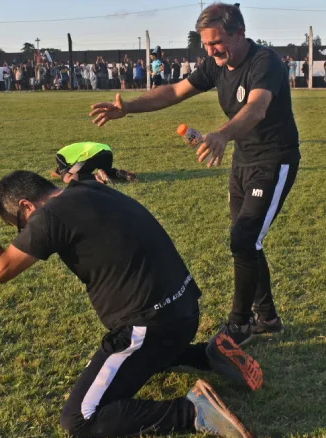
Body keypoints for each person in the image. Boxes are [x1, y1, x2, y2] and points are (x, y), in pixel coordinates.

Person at [0, 171, 263, 438]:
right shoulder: (88, 186)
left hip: (150, 326)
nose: (25, 236)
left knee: (80, 417)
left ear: (28, 206)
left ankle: (191, 411)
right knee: (141, 359)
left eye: (21, 227)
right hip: (184, 311)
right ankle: (205, 355)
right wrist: (4, 197)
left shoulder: (48, 216)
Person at [89, 3, 300, 347]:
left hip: (275, 161)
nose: (211, 50)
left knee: (244, 240)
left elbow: (257, 107)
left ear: (239, 33)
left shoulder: (266, 63)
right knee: (246, 241)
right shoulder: (214, 65)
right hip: (244, 161)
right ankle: (268, 317)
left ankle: (240, 324)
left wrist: (222, 134)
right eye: (205, 44)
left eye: (217, 42)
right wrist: (128, 107)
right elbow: (173, 92)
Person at [50, 142, 137, 184]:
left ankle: (97, 177)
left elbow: (64, 175)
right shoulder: (71, 155)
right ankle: (119, 173)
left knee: (67, 178)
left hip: (90, 154)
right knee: (108, 173)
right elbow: (78, 170)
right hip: (106, 151)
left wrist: (56, 174)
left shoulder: (59, 156)